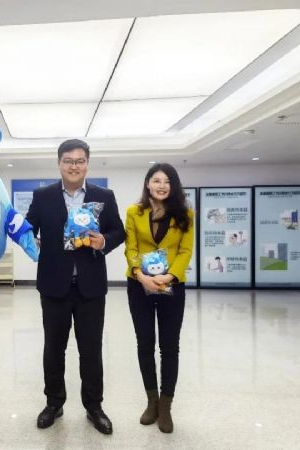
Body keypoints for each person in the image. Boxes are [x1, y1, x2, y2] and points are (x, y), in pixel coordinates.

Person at [26, 139, 125, 435]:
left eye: (80, 161)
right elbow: (29, 227)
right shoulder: (43, 196)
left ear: (87, 164)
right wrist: (32, 241)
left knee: (91, 350)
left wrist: (103, 241)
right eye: (68, 160)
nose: (74, 166)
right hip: (54, 285)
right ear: (59, 163)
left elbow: (118, 231)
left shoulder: (103, 196)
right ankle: (54, 403)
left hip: (90, 287)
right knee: (53, 349)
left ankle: (94, 406)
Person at [124, 163, 194, 433]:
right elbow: (131, 248)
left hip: (172, 287)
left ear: (173, 186)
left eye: (167, 181)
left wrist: (170, 276)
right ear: (148, 184)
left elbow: (185, 250)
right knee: (144, 344)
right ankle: (151, 401)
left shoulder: (185, 214)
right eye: (157, 180)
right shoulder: (134, 212)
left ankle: (166, 406)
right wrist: (139, 274)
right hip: (138, 286)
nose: (162, 186)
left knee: (169, 347)